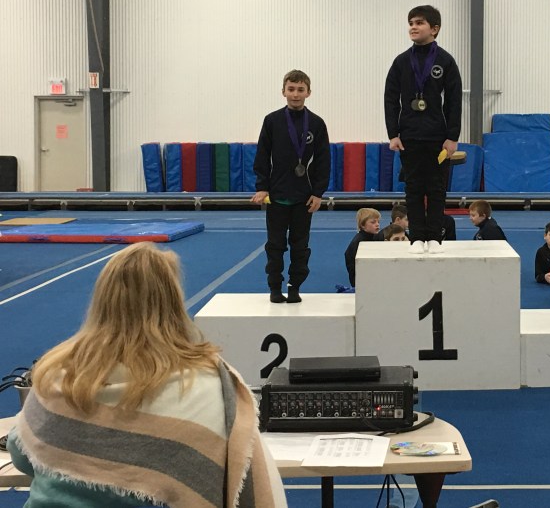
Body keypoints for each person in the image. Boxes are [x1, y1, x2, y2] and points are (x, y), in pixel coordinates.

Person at [6, 242, 288, 508]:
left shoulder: (57, 374)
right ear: (173, 304)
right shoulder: (206, 387)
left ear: (101, 301)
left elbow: (22, 454)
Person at [384, 5, 463, 255]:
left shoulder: (445, 61)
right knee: (414, 189)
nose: (413, 27)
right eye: (411, 23)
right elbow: (390, 98)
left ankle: (435, 238)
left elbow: (454, 101)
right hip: (409, 136)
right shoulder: (401, 62)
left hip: (438, 138)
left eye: (419, 23)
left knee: (437, 189)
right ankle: (417, 237)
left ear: (434, 29)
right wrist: (393, 133)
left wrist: (452, 137)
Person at [252, 69, 331, 304]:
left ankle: (295, 286)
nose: (295, 94)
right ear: (283, 91)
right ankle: (275, 287)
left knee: (300, 246)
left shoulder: (316, 123)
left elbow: (324, 160)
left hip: (304, 197)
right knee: (275, 245)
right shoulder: (272, 121)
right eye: (291, 89)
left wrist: (318, 193)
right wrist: (262, 186)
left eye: (300, 90)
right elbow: (262, 155)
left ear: (308, 92)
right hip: (277, 195)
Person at [345, 208, 381, 287]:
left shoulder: (375, 236)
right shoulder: (358, 242)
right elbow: (350, 259)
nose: (377, 224)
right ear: (363, 225)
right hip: (361, 279)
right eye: (373, 222)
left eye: (378, 222)